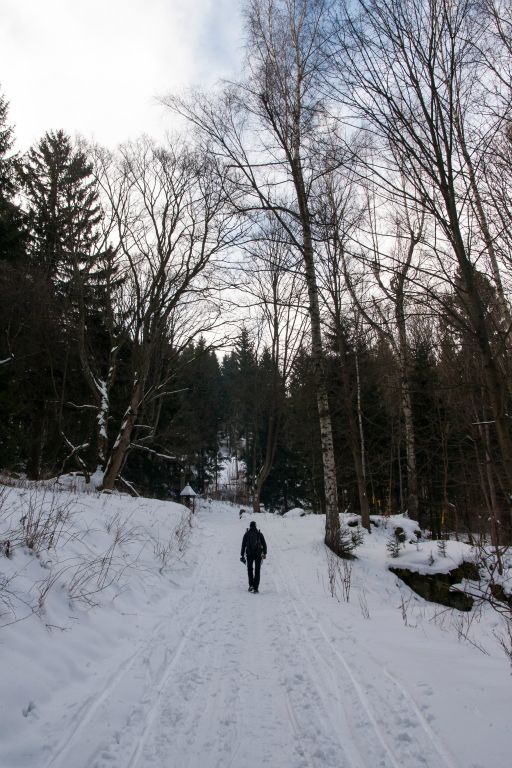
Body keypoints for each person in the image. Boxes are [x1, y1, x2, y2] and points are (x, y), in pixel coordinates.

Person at [240, 520, 267, 593]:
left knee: (250, 570)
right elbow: (264, 544)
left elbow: (243, 545)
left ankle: (251, 585)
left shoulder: (247, 534)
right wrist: (264, 553)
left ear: (250, 526)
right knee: (257, 570)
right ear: (255, 526)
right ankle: (256, 587)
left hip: (249, 554)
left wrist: (242, 555)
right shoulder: (259, 534)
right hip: (258, 554)